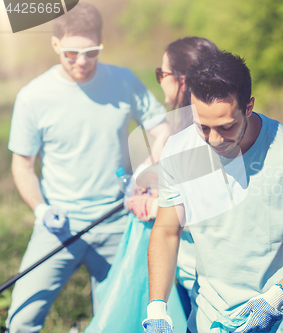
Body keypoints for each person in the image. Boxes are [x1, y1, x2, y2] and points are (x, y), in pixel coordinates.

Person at [142, 51, 283, 333]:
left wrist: (276, 298)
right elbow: (167, 230)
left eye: (226, 127)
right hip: (209, 320)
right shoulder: (178, 150)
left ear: (249, 107)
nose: (214, 140)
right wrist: (157, 308)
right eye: (203, 126)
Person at [6, 3, 170, 332]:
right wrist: (41, 211)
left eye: (91, 52)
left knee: (118, 321)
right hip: (58, 226)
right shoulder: (32, 96)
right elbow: (22, 166)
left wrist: (145, 176)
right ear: (55, 45)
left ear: (100, 44)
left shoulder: (123, 81)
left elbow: (162, 130)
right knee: (21, 319)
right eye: (71, 53)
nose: (81, 61)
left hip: (118, 222)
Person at [84, 37, 221, 333]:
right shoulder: (180, 126)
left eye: (162, 74)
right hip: (179, 265)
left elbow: (205, 199)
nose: (159, 82)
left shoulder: (206, 132)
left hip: (198, 266)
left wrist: (155, 202)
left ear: (181, 80)